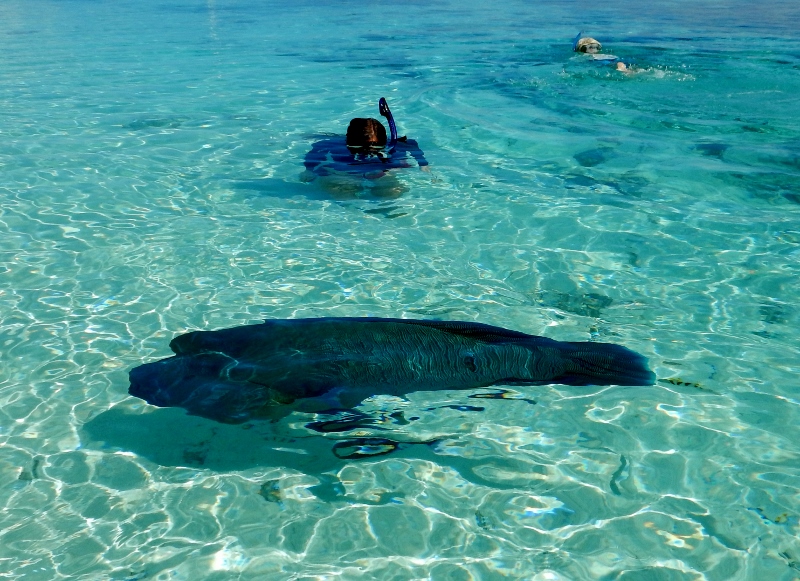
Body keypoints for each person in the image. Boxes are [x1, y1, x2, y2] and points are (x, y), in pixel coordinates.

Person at [301, 98, 429, 199]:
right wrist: (309, 169)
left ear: (384, 141)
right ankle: (352, 214)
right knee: (343, 194)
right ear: (348, 141)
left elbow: (412, 145)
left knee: (391, 193)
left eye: (376, 147)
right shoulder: (333, 144)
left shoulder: (395, 143)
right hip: (345, 174)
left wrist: (423, 164)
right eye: (359, 148)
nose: (368, 151)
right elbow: (315, 151)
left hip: (379, 172)